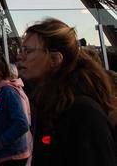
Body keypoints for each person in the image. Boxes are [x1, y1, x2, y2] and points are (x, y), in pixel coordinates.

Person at [17, 18, 116, 165]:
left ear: (55, 59)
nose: (20, 56)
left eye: (28, 51)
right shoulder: (52, 104)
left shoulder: (81, 111)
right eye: (21, 50)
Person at [0, 55, 31, 166]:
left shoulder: (8, 92)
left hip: (12, 156)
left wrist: (0, 142)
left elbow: (22, 123)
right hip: (4, 156)